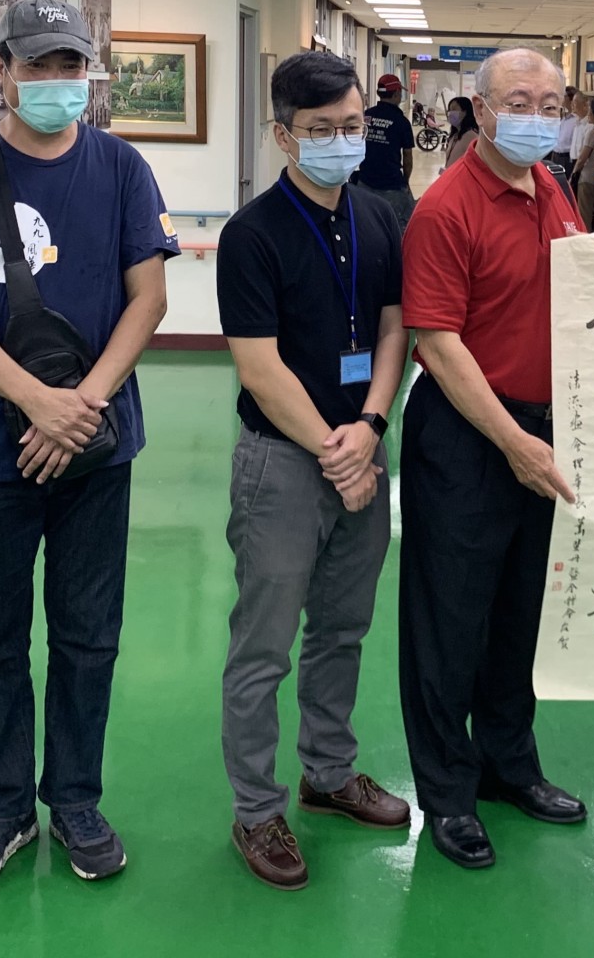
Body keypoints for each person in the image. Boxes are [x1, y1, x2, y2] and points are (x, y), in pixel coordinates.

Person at [0, 0, 181, 892]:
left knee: (89, 637)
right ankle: (4, 808)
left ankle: (77, 801)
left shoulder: (122, 167)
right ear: (3, 70)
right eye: (39, 65)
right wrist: (33, 401)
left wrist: (80, 407)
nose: (58, 81)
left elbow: (149, 299)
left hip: (96, 447)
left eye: (71, 66)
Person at [216, 52, 413, 890]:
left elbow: (396, 328)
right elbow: (259, 367)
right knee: (263, 646)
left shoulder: (380, 216)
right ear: (283, 135)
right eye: (321, 129)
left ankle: (328, 774)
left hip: (364, 448)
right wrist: (339, 453)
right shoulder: (251, 234)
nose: (342, 140)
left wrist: (371, 426)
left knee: (342, 628)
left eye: (352, 126)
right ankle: (256, 810)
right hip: (285, 462)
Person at [398, 47, 588, 870]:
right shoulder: (446, 209)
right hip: (468, 439)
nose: (536, 118)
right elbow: (437, 342)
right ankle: (448, 793)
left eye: (550, 105)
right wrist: (512, 441)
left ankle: (510, 764)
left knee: (519, 616)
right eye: (518, 101)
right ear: (479, 111)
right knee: (448, 623)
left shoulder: (554, 190)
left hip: (546, 433)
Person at [353, 72, 417, 230]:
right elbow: (407, 157)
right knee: (399, 226)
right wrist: (405, 181)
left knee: (364, 224)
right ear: (396, 94)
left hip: (365, 181)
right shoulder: (401, 122)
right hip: (391, 185)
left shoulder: (366, 116)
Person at [571, 96, 594, 230]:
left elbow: (582, 158)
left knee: (584, 215)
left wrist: (573, 174)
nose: (588, 113)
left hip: (587, 177)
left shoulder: (593, 132)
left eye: (590, 110)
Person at [547, 87, 579, 195]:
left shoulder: (576, 120)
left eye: (564, 97)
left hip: (566, 158)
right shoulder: (564, 119)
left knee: (565, 190)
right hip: (556, 156)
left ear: (571, 99)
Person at [443, 95, 479, 169]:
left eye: (454, 109)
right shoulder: (455, 135)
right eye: (449, 110)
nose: (450, 113)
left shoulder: (471, 136)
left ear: (464, 112)